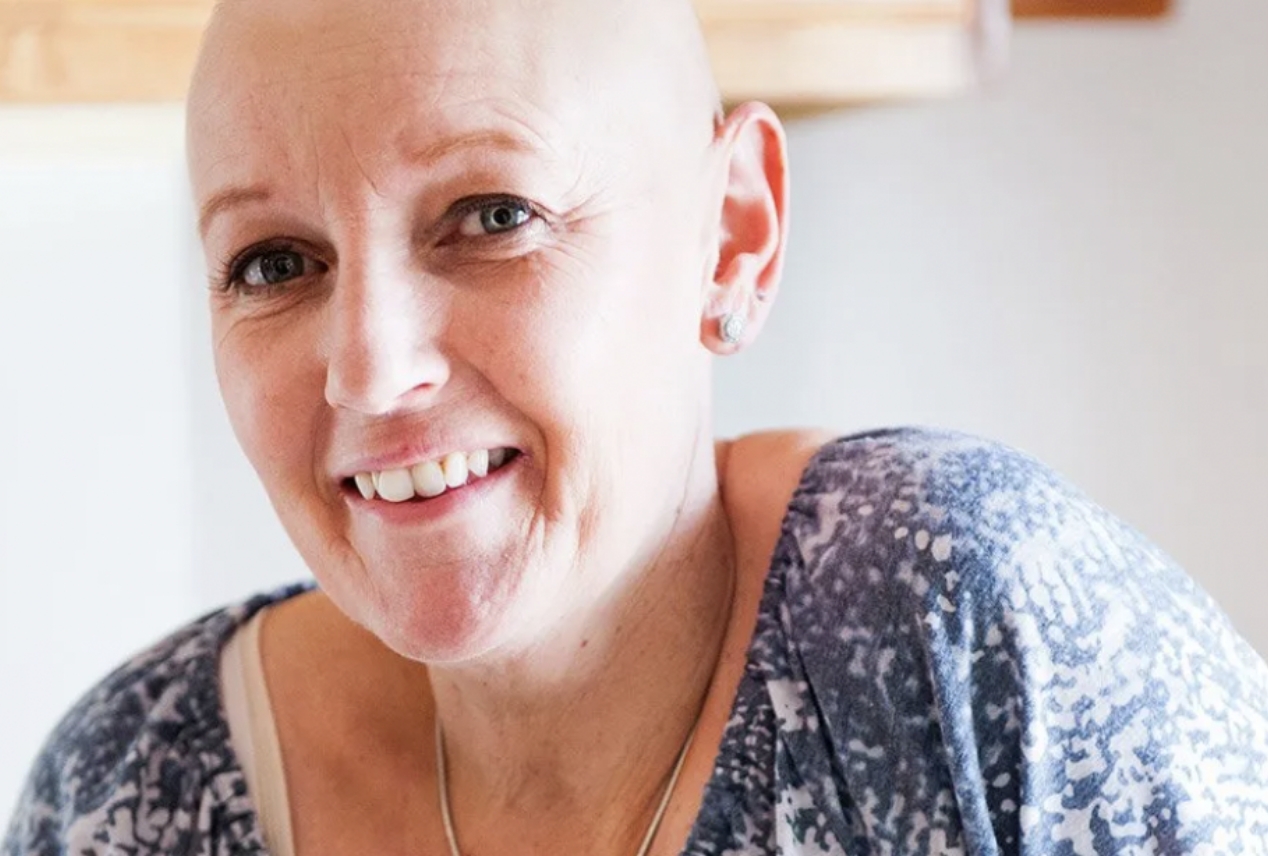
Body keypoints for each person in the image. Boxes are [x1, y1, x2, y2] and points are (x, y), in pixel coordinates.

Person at [6, 0, 1268, 853]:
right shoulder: (131, 785)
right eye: (274, 262)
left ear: (733, 233)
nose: (370, 369)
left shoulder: (970, 623)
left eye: (492, 216)